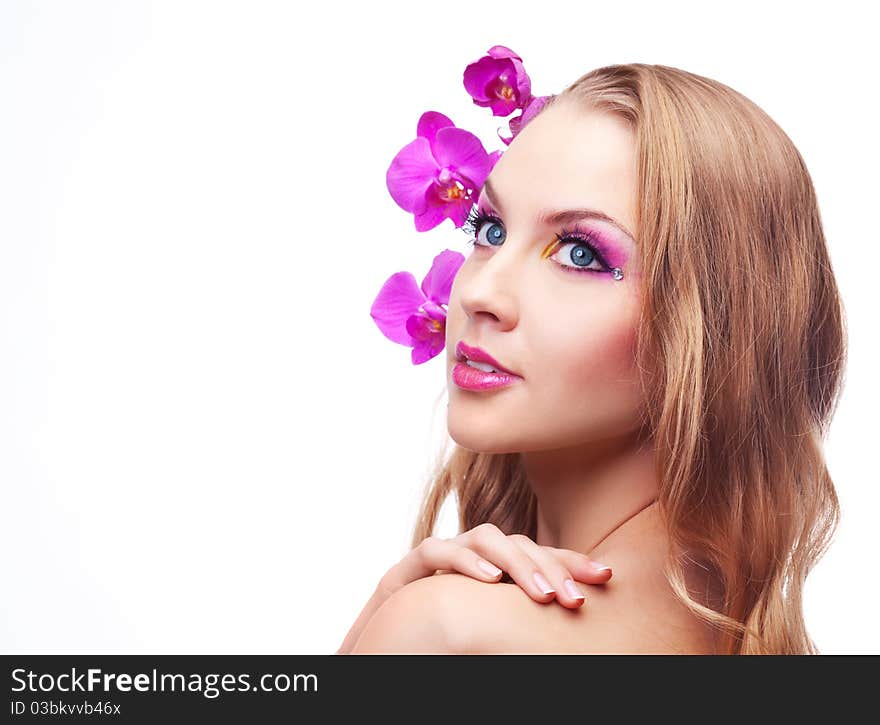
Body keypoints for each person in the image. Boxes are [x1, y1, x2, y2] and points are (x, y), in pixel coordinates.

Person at [339, 62, 845, 655]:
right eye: (491, 230)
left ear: (713, 327)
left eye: (580, 253)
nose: (476, 293)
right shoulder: (737, 639)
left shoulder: (450, 630)